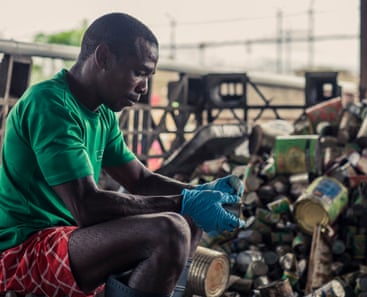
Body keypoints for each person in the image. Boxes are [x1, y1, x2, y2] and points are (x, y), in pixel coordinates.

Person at [0, 12, 244, 297]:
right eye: (139, 72)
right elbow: (87, 206)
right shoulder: (51, 104)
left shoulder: (102, 113)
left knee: (190, 219)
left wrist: (203, 193)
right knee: (170, 229)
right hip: (22, 253)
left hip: (69, 240)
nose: (144, 86)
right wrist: (184, 201)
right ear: (103, 57)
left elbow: (140, 179)